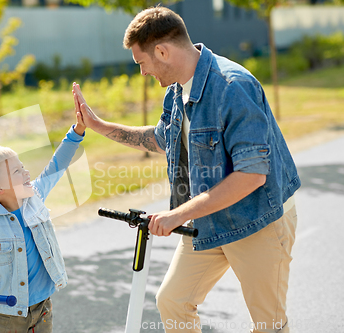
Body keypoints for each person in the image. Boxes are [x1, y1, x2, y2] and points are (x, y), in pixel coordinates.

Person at [72, 6, 299, 333]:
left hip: (258, 219)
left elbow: (252, 175)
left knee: (269, 324)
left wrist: (178, 214)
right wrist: (98, 125)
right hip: (209, 218)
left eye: (142, 63)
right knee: (173, 301)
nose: (143, 73)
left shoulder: (233, 87)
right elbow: (161, 138)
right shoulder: (177, 90)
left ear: (162, 51)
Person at [0, 110, 86, 333]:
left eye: (22, 166)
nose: (26, 173)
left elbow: (57, 165)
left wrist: (77, 131)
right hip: (4, 316)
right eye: (17, 171)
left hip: (42, 308)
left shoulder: (35, 196)